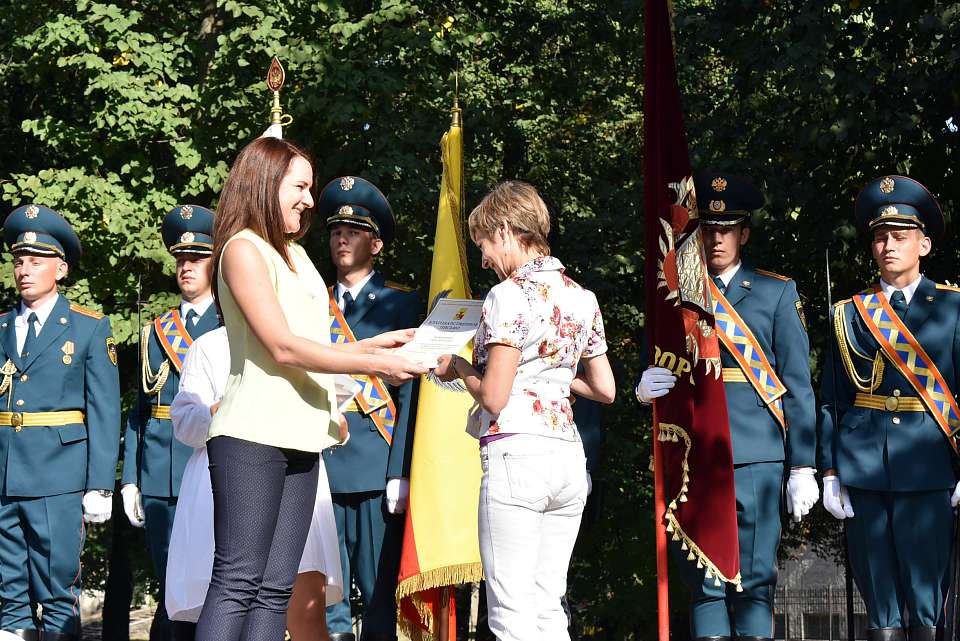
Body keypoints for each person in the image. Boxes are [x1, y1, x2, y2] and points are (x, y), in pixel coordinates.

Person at [194, 137, 425, 641]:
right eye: (299, 186)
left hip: (303, 434)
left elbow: (321, 342)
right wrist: (372, 360)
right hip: (252, 435)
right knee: (238, 580)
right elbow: (283, 347)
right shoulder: (241, 249)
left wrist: (380, 341)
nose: (309, 200)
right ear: (266, 182)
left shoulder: (298, 256)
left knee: (276, 587)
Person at [636, 172, 818, 641]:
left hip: (757, 455)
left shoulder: (777, 293)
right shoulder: (678, 296)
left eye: (727, 229)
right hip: (696, 457)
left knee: (755, 582)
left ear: (743, 235)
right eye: (709, 230)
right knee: (706, 583)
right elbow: (661, 362)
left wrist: (803, 465)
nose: (716, 239)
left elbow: (798, 387)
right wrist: (645, 386)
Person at [434, 180, 615, 641]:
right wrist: (545, 371)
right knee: (547, 604)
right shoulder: (583, 297)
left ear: (507, 230)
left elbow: (494, 396)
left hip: (517, 456)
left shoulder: (507, 295)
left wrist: (457, 365)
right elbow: (605, 388)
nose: (484, 258)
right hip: (569, 459)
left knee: (511, 613)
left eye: (485, 243)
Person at [819, 175, 957, 641]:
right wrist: (829, 471)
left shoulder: (954, 308)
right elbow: (832, 399)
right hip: (863, 467)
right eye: (880, 237)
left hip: (931, 463)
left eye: (900, 237)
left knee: (925, 602)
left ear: (925, 244)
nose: (888, 246)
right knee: (879, 604)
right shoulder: (851, 312)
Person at [166, 326, 345, 641]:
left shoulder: (306, 338)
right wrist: (232, 405)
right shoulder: (210, 346)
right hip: (232, 481)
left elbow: (335, 423)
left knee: (294, 604)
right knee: (234, 592)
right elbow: (187, 425)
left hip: (297, 470)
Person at [0, 204, 121, 640]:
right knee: (8, 592)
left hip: (59, 475)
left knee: (57, 590)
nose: (24, 270)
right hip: (5, 474)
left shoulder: (88, 328)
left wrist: (100, 483)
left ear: (61, 268)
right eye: (18, 261)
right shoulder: (1, 326)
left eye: (36, 261)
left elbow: (105, 409)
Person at [317, 176, 421, 641]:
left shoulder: (403, 303)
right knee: (324, 596)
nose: (342, 238)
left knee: (379, 593)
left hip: (377, 462)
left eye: (354, 231)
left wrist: (401, 469)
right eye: (337, 230)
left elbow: (412, 393)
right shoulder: (308, 304)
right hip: (320, 460)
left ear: (375, 243)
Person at [121, 204, 221, 641]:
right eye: (181, 260)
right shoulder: (155, 330)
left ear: (216, 262)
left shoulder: (235, 322)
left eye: (197, 259)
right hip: (162, 473)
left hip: (217, 465)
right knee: (170, 591)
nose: (186, 267)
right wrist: (129, 479)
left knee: (216, 588)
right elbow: (139, 412)